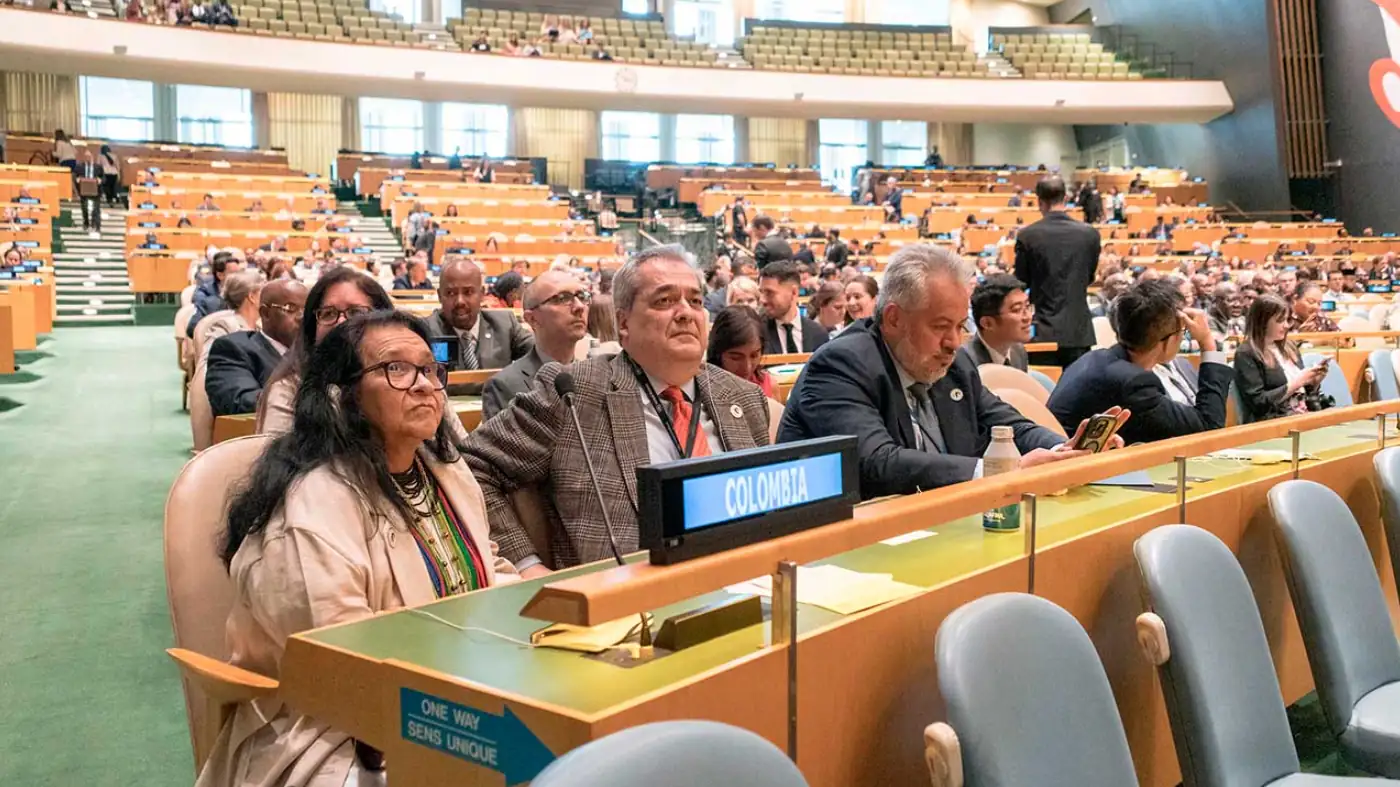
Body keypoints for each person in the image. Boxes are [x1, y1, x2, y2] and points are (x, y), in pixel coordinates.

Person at [204, 311, 517, 787]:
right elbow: (343, 664)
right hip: (336, 730)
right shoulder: (313, 502)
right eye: (396, 369)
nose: (424, 386)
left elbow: (486, 568)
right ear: (341, 395)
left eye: (430, 369)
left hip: (462, 687)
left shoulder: (445, 471)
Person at [462, 246, 772, 575]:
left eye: (695, 301)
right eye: (665, 301)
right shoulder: (574, 394)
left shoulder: (743, 397)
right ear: (623, 322)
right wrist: (526, 565)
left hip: (745, 582)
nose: (685, 313)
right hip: (629, 602)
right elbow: (471, 467)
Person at [777, 244, 1100, 499]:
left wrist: (1066, 450)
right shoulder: (840, 366)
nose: (953, 342)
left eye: (960, 326)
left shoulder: (954, 363)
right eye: (941, 326)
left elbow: (1005, 425)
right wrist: (1002, 469)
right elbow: (878, 463)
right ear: (893, 319)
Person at [1047, 278, 1232, 444]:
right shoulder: (1132, 384)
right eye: (1182, 332)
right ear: (1167, 340)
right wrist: (1207, 342)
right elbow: (1208, 429)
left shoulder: (1097, 359)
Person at [255, 266, 394, 434]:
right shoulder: (289, 390)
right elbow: (279, 458)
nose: (340, 322)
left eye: (356, 312)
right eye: (328, 313)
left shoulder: (405, 379)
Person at [1015, 176, 1100, 368]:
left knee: (1043, 394)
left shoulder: (1028, 236)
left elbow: (1021, 282)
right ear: (1066, 198)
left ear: (1040, 202)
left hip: (1043, 331)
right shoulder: (1089, 234)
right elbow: (1089, 277)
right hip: (1079, 332)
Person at [481, 271, 589, 419]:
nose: (579, 307)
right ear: (532, 319)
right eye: (563, 298)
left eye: (582, 297)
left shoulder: (596, 378)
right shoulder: (503, 386)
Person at [204, 279, 306, 416]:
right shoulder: (233, 349)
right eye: (290, 309)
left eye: (307, 310)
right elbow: (241, 402)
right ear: (265, 313)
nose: (302, 317)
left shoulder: (316, 351)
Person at [422, 260, 533, 375]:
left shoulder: (505, 324)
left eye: (468, 292)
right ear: (440, 296)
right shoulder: (426, 331)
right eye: (451, 293)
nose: (460, 301)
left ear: (482, 294)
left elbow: (542, 353)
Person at [1234, 294, 1328, 422]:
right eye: (1280, 321)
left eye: (1287, 320)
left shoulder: (1289, 347)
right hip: (1274, 424)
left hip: (1305, 417)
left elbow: (1307, 396)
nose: (1286, 325)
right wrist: (1297, 382)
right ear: (1262, 321)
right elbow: (1258, 403)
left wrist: (1313, 383)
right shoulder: (1246, 353)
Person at [959, 274, 1031, 371]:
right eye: (1017, 310)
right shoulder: (964, 363)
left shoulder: (1018, 352)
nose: (1028, 317)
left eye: (1027, 307)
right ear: (987, 323)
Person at [758, 261, 829, 354]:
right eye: (761, 292)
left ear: (794, 293)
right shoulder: (757, 333)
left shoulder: (818, 334)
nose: (762, 300)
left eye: (769, 293)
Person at [708, 305, 777, 400]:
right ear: (718, 353)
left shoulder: (769, 385)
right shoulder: (705, 391)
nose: (747, 367)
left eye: (754, 356)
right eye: (736, 358)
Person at [187, 251, 243, 337]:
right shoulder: (206, 295)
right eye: (233, 274)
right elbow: (192, 329)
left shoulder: (244, 293)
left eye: (239, 273)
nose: (238, 277)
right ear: (220, 275)